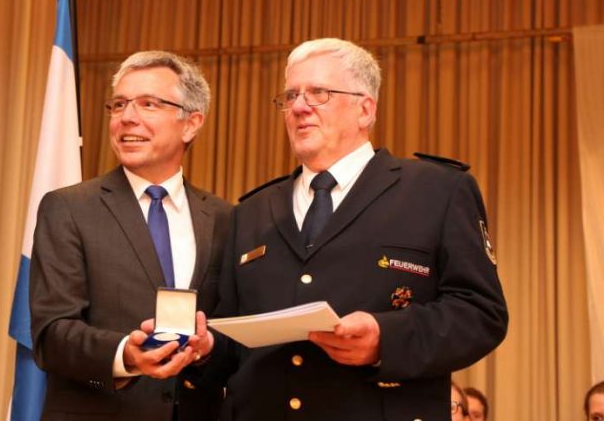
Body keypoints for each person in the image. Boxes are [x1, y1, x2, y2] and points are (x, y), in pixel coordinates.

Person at [204, 38, 509, 420]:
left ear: (365, 109)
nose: (299, 107)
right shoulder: (251, 211)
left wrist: (387, 338)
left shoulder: (436, 191)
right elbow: (232, 338)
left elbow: (481, 314)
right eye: (291, 95)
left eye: (319, 93)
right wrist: (201, 345)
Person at [30, 51, 231, 420]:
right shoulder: (69, 208)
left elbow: (234, 332)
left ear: (191, 123)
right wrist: (125, 353)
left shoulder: (224, 217)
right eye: (119, 104)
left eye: (148, 104)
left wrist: (208, 346)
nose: (127, 117)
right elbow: (51, 334)